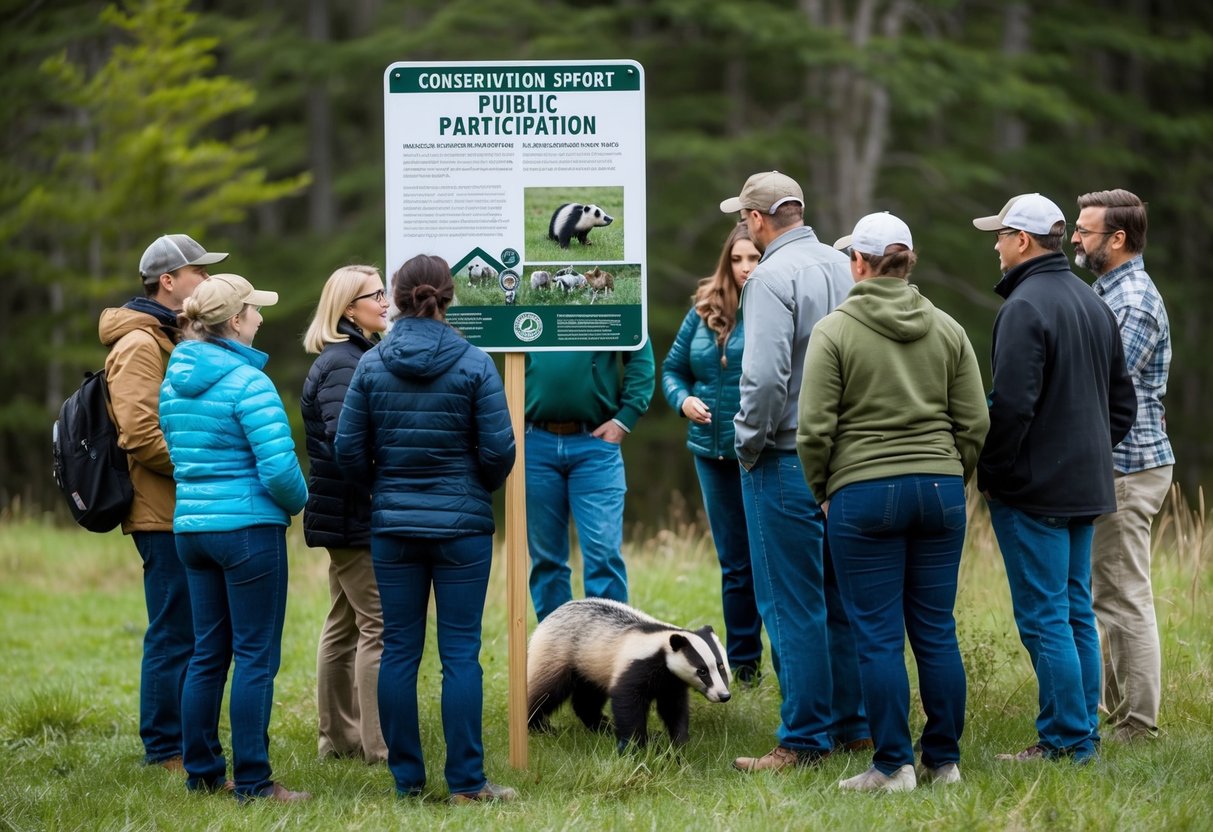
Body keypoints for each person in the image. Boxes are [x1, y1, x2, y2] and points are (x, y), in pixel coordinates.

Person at [797, 212, 989, 792]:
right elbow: (976, 421)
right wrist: (952, 477)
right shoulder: (949, 328)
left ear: (858, 261)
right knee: (935, 630)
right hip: (939, 490)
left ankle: (892, 766)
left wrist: (824, 491)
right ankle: (945, 762)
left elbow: (813, 431)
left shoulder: (834, 331)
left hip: (862, 493)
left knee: (877, 634)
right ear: (907, 261)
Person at [334, 254, 516, 804]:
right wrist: (473, 487)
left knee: (399, 652)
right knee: (461, 654)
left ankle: (407, 782)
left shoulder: (371, 364)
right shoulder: (475, 363)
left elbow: (347, 449)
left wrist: (378, 489)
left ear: (397, 295)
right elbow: (499, 449)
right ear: (449, 296)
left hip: (393, 527)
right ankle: (466, 783)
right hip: (462, 528)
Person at [972, 193, 1137, 763]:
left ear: (1022, 240)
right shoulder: (1094, 303)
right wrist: (1085, 454)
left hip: (1033, 491)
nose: (994, 245)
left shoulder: (1023, 308)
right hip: (1083, 487)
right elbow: (1123, 406)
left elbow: (1012, 406)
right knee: (1073, 611)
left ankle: (1067, 740)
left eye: (999, 235)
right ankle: (1080, 735)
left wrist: (992, 471)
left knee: (1046, 616)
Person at [719, 170, 868, 771]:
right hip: (849, 457)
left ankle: (804, 738)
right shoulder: (845, 265)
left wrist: (746, 446)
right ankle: (855, 725)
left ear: (757, 220)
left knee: (789, 600)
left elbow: (763, 380)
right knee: (839, 596)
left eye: (744, 218)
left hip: (785, 456)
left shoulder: (770, 277)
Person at [159, 273, 310, 801]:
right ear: (235, 322)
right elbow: (278, 470)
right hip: (248, 532)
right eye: (254, 309)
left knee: (207, 653)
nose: (262, 317)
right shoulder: (250, 382)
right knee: (254, 658)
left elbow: (178, 455)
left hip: (192, 531)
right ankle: (253, 782)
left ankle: (201, 772)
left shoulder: (174, 379)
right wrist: (301, 503)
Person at [98, 233, 226, 772]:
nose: (207, 278)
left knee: (193, 628)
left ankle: (184, 741)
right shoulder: (138, 345)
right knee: (174, 629)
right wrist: (208, 465)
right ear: (169, 281)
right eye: (198, 271)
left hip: (184, 505)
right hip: (160, 510)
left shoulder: (167, 336)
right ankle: (165, 747)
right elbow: (141, 434)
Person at [1073, 189, 1174, 743]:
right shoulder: (1109, 291)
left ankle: (1137, 725)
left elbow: (1098, 382)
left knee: (1122, 593)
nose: (1075, 239)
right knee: (1107, 591)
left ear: (1117, 239)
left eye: (1085, 231)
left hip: (1130, 467)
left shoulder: (1130, 301)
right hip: (1118, 464)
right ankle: (1116, 714)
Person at [661, 222, 764, 682]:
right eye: (737, 259)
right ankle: (744, 665)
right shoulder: (704, 308)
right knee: (735, 564)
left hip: (760, 453)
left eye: (754, 258)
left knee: (767, 559)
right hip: (710, 452)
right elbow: (672, 369)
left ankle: (788, 662)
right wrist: (682, 400)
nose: (744, 268)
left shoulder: (775, 303)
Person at [301, 265, 390, 763]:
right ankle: (377, 747)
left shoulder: (356, 355)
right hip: (353, 513)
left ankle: (337, 739)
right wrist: (385, 478)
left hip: (345, 512)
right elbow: (343, 442)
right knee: (377, 624)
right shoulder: (344, 363)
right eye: (375, 295)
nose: (385, 302)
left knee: (344, 623)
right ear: (348, 309)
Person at [524, 342, 655, 622]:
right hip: (534, 441)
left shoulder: (613, 297)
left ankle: (607, 656)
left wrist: (625, 418)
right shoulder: (529, 295)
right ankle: (556, 655)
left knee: (603, 555)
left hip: (595, 444)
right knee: (546, 560)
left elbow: (640, 355)